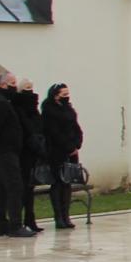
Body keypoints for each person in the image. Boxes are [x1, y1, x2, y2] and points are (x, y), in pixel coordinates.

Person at [0, 72, 33, 238]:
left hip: (6, 151)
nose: (15, 86)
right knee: (14, 186)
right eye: (12, 83)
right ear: (3, 85)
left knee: (1, 188)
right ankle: (15, 225)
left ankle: (0, 225)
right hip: (4, 151)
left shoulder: (2, 100)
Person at [41, 83, 83, 230]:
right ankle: (58, 216)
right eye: (63, 94)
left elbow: (76, 127)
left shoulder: (69, 109)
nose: (67, 97)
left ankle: (66, 215)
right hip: (57, 152)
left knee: (67, 183)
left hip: (72, 151)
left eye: (67, 94)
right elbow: (53, 133)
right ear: (55, 96)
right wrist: (68, 147)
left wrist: (77, 144)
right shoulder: (48, 111)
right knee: (58, 182)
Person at [12, 78, 45, 232]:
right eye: (26, 87)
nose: (29, 90)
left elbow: (39, 125)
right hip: (23, 152)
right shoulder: (17, 106)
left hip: (34, 152)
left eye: (31, 87)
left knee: (30, 187)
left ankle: (30, 219)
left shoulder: (33, 107)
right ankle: (19, 221)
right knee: (23, 187)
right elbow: (24, 128)